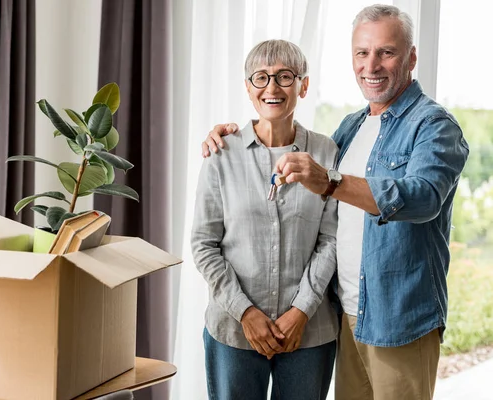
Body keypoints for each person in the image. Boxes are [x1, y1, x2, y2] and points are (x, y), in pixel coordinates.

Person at [201, 5, 469, 400]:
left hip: (398, 319)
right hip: (345, 317)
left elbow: (423, 197)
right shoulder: (352, 127)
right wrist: (229, 136)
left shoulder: (433, 125)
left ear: (411, 57)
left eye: (386, 52)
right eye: (362, 53)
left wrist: (330, 181)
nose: (371, 65)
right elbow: (317, 199)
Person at [191, 39, 339, 400]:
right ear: (248, 87)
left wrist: (301, 310)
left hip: (310, 331)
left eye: (284, 77)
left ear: (303, 85)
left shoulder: (326, 151)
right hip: (233, 330)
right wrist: (246, 314)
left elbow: (332, 239)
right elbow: (203, 245)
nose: (271, 88)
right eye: (260, 77)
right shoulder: (221, 154)